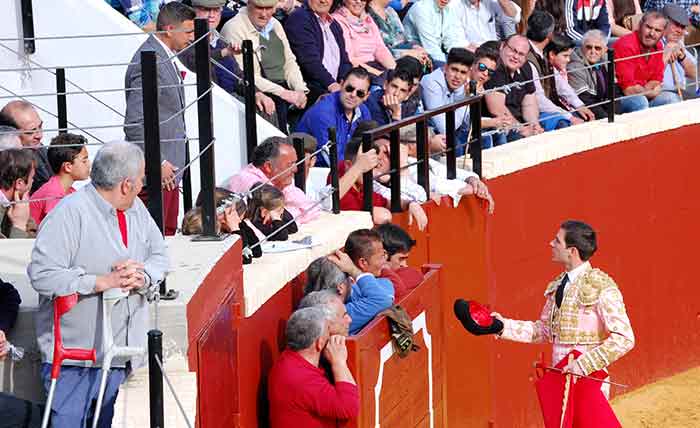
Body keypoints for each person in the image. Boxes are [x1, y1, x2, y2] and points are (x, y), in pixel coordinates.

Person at [28, 141, 169, 428]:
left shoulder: (136, 208)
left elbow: (160, 255)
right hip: (74, 363)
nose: (143, 183)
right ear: (126, 184)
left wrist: (144, 275)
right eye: (141, 177)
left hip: (122, 356)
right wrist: (99, 282)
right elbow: (42, 275)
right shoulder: (68, 214)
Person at [490, 220, 635, 398]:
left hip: (589, 382)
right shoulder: (558, 285)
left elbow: (624, 339)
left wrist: (583, 365)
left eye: (557, 241)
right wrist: (501, 326)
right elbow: (543, 331)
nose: (551, 244)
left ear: (572, 251)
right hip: (560, 379)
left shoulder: (601, 286)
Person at [124, 2, 195, 236]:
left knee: (167, 234)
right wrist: (159, 162)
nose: (192, 37)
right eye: (187, 32)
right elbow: (135, 124)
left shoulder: (162, 56)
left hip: (168, 171)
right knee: (156, 237)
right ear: (168, 29)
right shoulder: (149, 60)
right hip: (157, 174)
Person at [180, 0, 278, 123]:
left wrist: (256, 93)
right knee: (262, 111)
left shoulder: (219, 41)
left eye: (216, 10)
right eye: (205, 10)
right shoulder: (185, 41)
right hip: (211, 107)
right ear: (193, 11)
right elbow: (193, 62)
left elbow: (237, 75)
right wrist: (224, 53)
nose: (212, 15)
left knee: (266, 103)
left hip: (230, 100)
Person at [221, 0, 309, 131]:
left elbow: (289, 61)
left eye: (269, 8)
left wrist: (299, 89)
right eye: (259, 8)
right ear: (249, 5)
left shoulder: (275, 24)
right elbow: (243, 74)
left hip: (284, 90)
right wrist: (283, 93)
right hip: (260, 93)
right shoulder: (234, 28)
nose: (264, 14)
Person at [267, 307, 359, 427]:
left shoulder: (288, 359)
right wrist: (339, 362)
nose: (330, 334)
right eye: (328, 330)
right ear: (320, 343)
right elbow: (349, 408)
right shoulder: (302, 379)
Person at [225, 136, 321, 224]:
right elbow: (268, 223)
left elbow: (313, 209)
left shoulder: (279, 180)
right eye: (290, 164)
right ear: (268, 167)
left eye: (295, 163)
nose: (295, 169)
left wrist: (284, 213)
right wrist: (289, 213)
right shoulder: (250, 183)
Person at [295, 67, 372, 167]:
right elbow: (334, 161)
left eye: (360, 93)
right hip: (312, 172)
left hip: (344, 170)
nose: (353, 95)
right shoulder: (323, 112)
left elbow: (367, 148)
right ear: (341, 84)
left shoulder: (363, 111)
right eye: (349, 89)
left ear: (366, 96)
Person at [284, 0, 353, 104]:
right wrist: (332, 85)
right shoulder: (299, 18)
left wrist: (346, 83)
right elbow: (309, 61)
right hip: (312, 90)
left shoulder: (334, 25)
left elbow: (344, 61)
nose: (323, 0)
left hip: (335, 87)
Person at [328, 229, 395, 334]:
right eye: (382, 256)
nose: (385, 260)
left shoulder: (384, 283)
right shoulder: (341, 303)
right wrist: (354, 271)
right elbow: (381, 300)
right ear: (363, 262)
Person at [613, 10, 680, 110]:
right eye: (648, 27)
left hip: (644, 94)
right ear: (640, 25)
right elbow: (628, 90)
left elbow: (656, 79)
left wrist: (649, 90)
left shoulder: (658, 45)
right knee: (640, 102)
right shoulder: (626, 45)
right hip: (619, 98)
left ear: (663, 33)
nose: (652, 33)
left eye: (657, 30)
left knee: (672, 99)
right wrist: (652, 92)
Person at [484, 35, 543, 143]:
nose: (516, 56)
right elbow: (497, 109)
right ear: (502, 47)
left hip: (519, 122)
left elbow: (529, 103)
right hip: (498, 125)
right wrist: (522, 129)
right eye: (513, 50)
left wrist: (534, 125)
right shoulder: (494, 68)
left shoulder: (526, 67)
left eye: (521, 54)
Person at [527, 11, 577, 131]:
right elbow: (539, 99)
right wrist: (569, 117)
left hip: (548, 107)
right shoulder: (528, 58)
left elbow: (560, 84)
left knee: (580, 115)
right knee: (564, 123)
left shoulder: (540, 53)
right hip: (535, 112)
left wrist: (579, 105)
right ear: (550, 35)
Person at [30, 133, 91, 225]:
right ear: (68, 167)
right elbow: (57, 227)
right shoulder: (53, 193)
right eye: (84, 160)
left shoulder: (70, 191)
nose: (89, 164)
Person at [567, 30, 624, 119]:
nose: (593, 51)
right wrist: (607, 119)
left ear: (605, 49)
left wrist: (615, 116)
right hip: (587, 107)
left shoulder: (606, 58)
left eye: (597, 48)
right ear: (582, 47)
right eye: (589, 47)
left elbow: (614, 91)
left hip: (606, 103)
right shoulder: (574, 65)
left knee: (638, 101)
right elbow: (585, 99)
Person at [332, 0, 397, 79]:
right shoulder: (338, 20)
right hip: (357, 72)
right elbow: (349, 59)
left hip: (375, 66)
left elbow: (380, 48)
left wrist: (394, 71)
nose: (358, 1)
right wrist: (379, 74)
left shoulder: (367, 18)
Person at [0, 101, 51, 193]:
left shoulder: (38, 149)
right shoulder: (4, 165)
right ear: (9, 134)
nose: (40, 135)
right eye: (30, 132)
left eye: (40, 126)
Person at [544, 34, 597, 122]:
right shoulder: (545, 69)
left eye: (569, 56)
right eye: (565, 56)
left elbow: (565, 90)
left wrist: (580, 106)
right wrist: (569, 116)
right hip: (551, 111)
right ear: (552, 54)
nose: (568, 60)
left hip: (564, 108)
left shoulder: (561, 70)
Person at [402, 0, 470, 67]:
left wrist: (465, 55)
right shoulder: (421, 9)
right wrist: (448, 67)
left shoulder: (448, 8)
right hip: (413, 56)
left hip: (434, 53)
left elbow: (450, 40)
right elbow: (431, 48)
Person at [660, 4, 697, 100]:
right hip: (661, 91)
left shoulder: (679, 43)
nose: (679, 31)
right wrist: (667, 53)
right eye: (676, 25)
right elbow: (653, 77)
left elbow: (694, 74)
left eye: (683, 27)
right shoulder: (654, 42)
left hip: (679, 91)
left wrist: (682, 56)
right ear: (664, 23)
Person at [451, 0, 521, 49]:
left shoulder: (489, 2)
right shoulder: (455, 4)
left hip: (493, 50)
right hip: (470, 54)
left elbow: (515, 16)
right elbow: (457, 41)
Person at [0, 148, 37, 239]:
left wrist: (25, 219)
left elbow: (34, 238)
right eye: (32, 178)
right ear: (19, 183)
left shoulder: (15, 205)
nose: (33, 181)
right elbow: (8, 252)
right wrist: (19, 225)